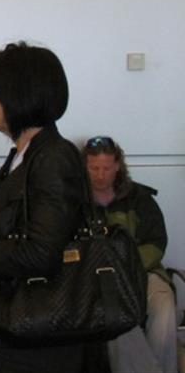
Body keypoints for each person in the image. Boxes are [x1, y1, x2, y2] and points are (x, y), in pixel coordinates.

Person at [0, 42, 109, 373]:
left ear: (19, 94)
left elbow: (41, 251)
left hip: (44, 342)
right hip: (19, 330)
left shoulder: (52, 158)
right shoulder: (24, 157)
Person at [83, 135, 178, 373]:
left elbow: (157, 242)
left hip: (143, 272)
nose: (100, 175)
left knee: (164, 305)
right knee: (116, 317)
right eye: (94, 168)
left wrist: (129, 264)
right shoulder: (75, 202)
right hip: (98, 279)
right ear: (84, 167)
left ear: (117, 166)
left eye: (106, 168)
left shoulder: (138, 198)